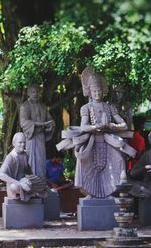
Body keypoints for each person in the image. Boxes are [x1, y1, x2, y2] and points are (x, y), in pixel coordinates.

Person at [57, 66, 136, 198]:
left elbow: (123, 125)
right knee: (83, 162)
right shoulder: (86, 108)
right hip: (91, 141)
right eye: (94, 91)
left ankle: (110, 191)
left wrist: (112, 125)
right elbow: (83, 127)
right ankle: (90, 193)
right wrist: (96, 127)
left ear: (103, 91)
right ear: (89, 92)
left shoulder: (109, 107)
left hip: (108, 141)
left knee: (119, 159)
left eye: (99, 90)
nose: (97, 93)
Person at [0, 132, 48, 201]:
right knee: (14, 187)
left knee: (42, 182)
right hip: (16, 184)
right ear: (14, 143)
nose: (23, 144)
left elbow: (27, 170)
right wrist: (19, 183)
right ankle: (30, 192)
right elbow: (1, 174)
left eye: (24, 142)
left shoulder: (25, 154)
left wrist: (33, 178)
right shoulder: (10, 157)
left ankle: (32, 191)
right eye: (20, 142)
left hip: (25, 180)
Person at [19, 85, 55, 178]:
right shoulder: (24, 106)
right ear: (28, 93)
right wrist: (41, 124)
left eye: (37, 92)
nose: (35, 94)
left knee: (41, 160)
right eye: (32, 92)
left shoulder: (43, 106)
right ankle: (32, 180)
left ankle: (41, 181)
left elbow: (49, 119)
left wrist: (50, 125)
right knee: (31, 159)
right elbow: (23, 122)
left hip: (40, 137)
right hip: (31, 137)